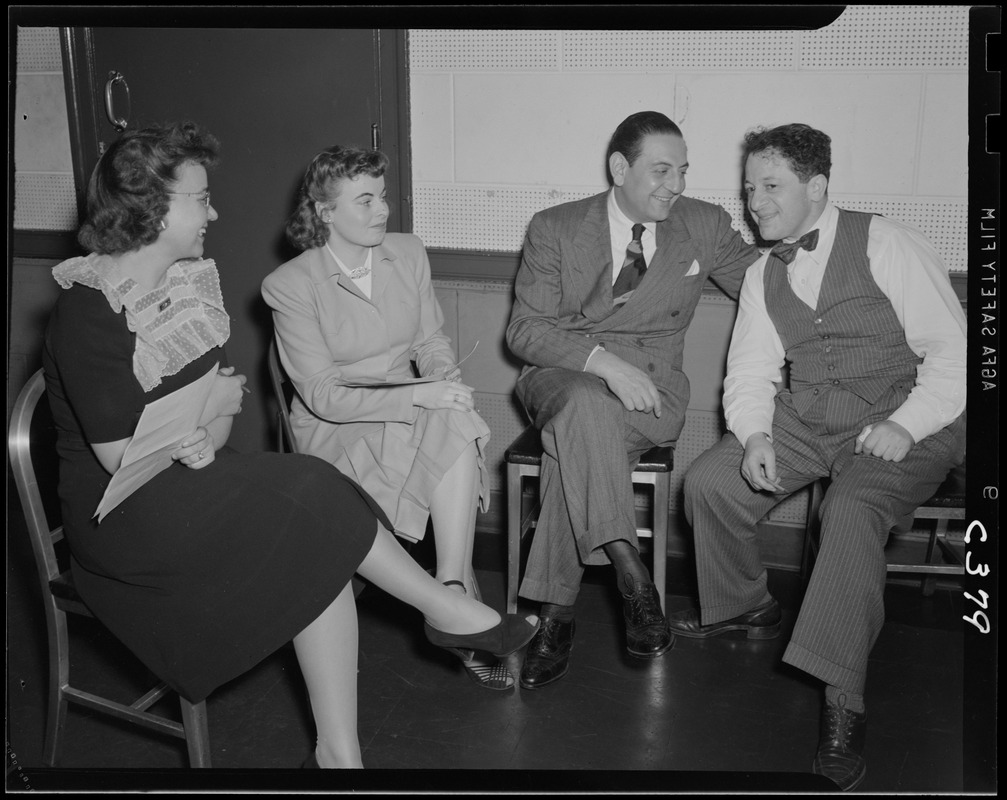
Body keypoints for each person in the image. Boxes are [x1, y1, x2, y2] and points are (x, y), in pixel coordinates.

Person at [41, 122, 538, 769]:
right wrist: (207, 411)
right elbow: (122, 463)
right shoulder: (91, 310)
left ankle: (340, 753)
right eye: (199, 197)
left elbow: (209, 425)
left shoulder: (184, 284)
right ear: (150, 208)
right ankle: (444, 606)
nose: (212, 210)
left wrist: (209, 417)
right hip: (126, 516)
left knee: (317, 525)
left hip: (189, 478)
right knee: (309, 495)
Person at [672, 123, 966, 791]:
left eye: (769, 187)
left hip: (905, 416)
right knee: (710, 481)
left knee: (852, 507)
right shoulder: (760, 273)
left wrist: (904, 424)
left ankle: (843, 702)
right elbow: (748, 373)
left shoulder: (886, 243)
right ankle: (744, 605)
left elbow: (954, 357)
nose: (755, 204)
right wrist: (752, 437)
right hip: (809, 417)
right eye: (749, 189)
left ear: (817, 187)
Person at [504, 111, 760, 690]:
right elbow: (524, 332)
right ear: (620, 168)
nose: (677, 185)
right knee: (584, 406)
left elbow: (768, 287)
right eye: (662, 170)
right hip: (563, 374)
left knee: (570, 447)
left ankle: (556, 616)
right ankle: (632, 573)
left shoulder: (703, 225)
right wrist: (602, 364)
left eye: (684, 171)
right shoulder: (556, 226)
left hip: (652, 390)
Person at [261, 145, 510, 689]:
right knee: (446, 428)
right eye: (366, 200)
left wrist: (443, 378)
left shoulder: (407, 252)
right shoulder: (291, 285)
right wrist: (419, 398)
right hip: (338, 427)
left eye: (384, 195)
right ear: (325, 212)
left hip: (411, 404)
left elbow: (430, 338)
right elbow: (323, 396)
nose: (383, 210)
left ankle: (449, 592)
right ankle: (457, 603)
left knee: (455, 420)